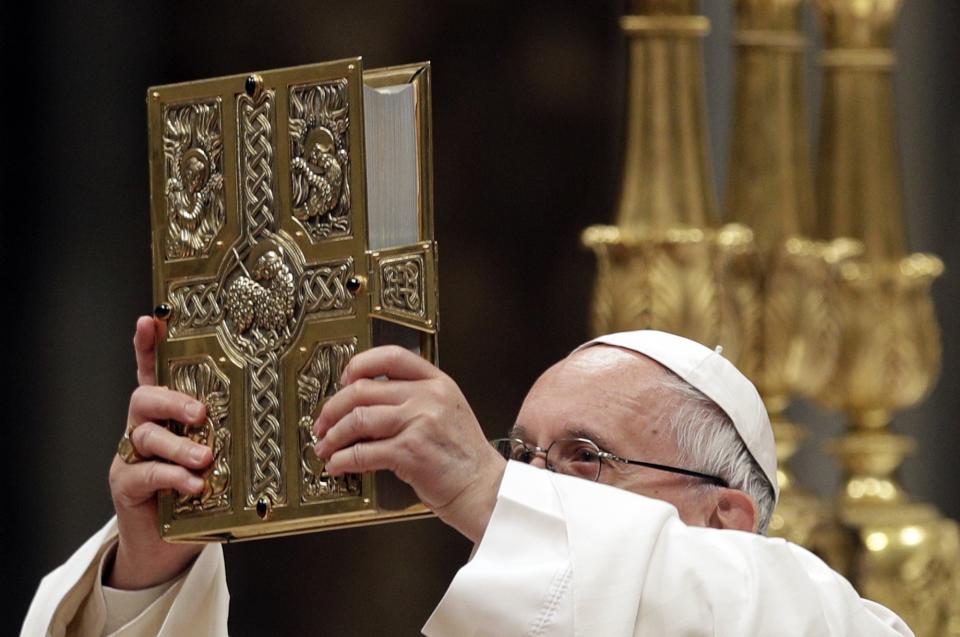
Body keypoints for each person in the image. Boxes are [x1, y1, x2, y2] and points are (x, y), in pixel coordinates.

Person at [22, 318, 913, 636]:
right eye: (521, 452)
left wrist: (488, 486)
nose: (528, 482)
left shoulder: (810, 611)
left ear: (724, 520)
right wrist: (149, 572)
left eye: (584, 457)